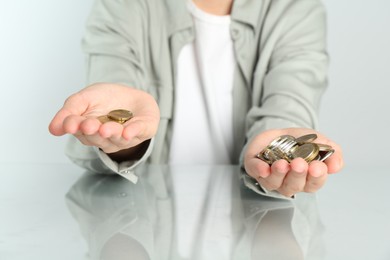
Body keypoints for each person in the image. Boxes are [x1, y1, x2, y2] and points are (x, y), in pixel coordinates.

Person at [49, 0, 343, 198]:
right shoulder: (122, 5)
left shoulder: (297, 7)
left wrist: (280, 141)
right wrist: (125, 141)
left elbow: (291, 95)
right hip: (144, 219)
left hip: (256, 227)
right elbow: (115, 88)